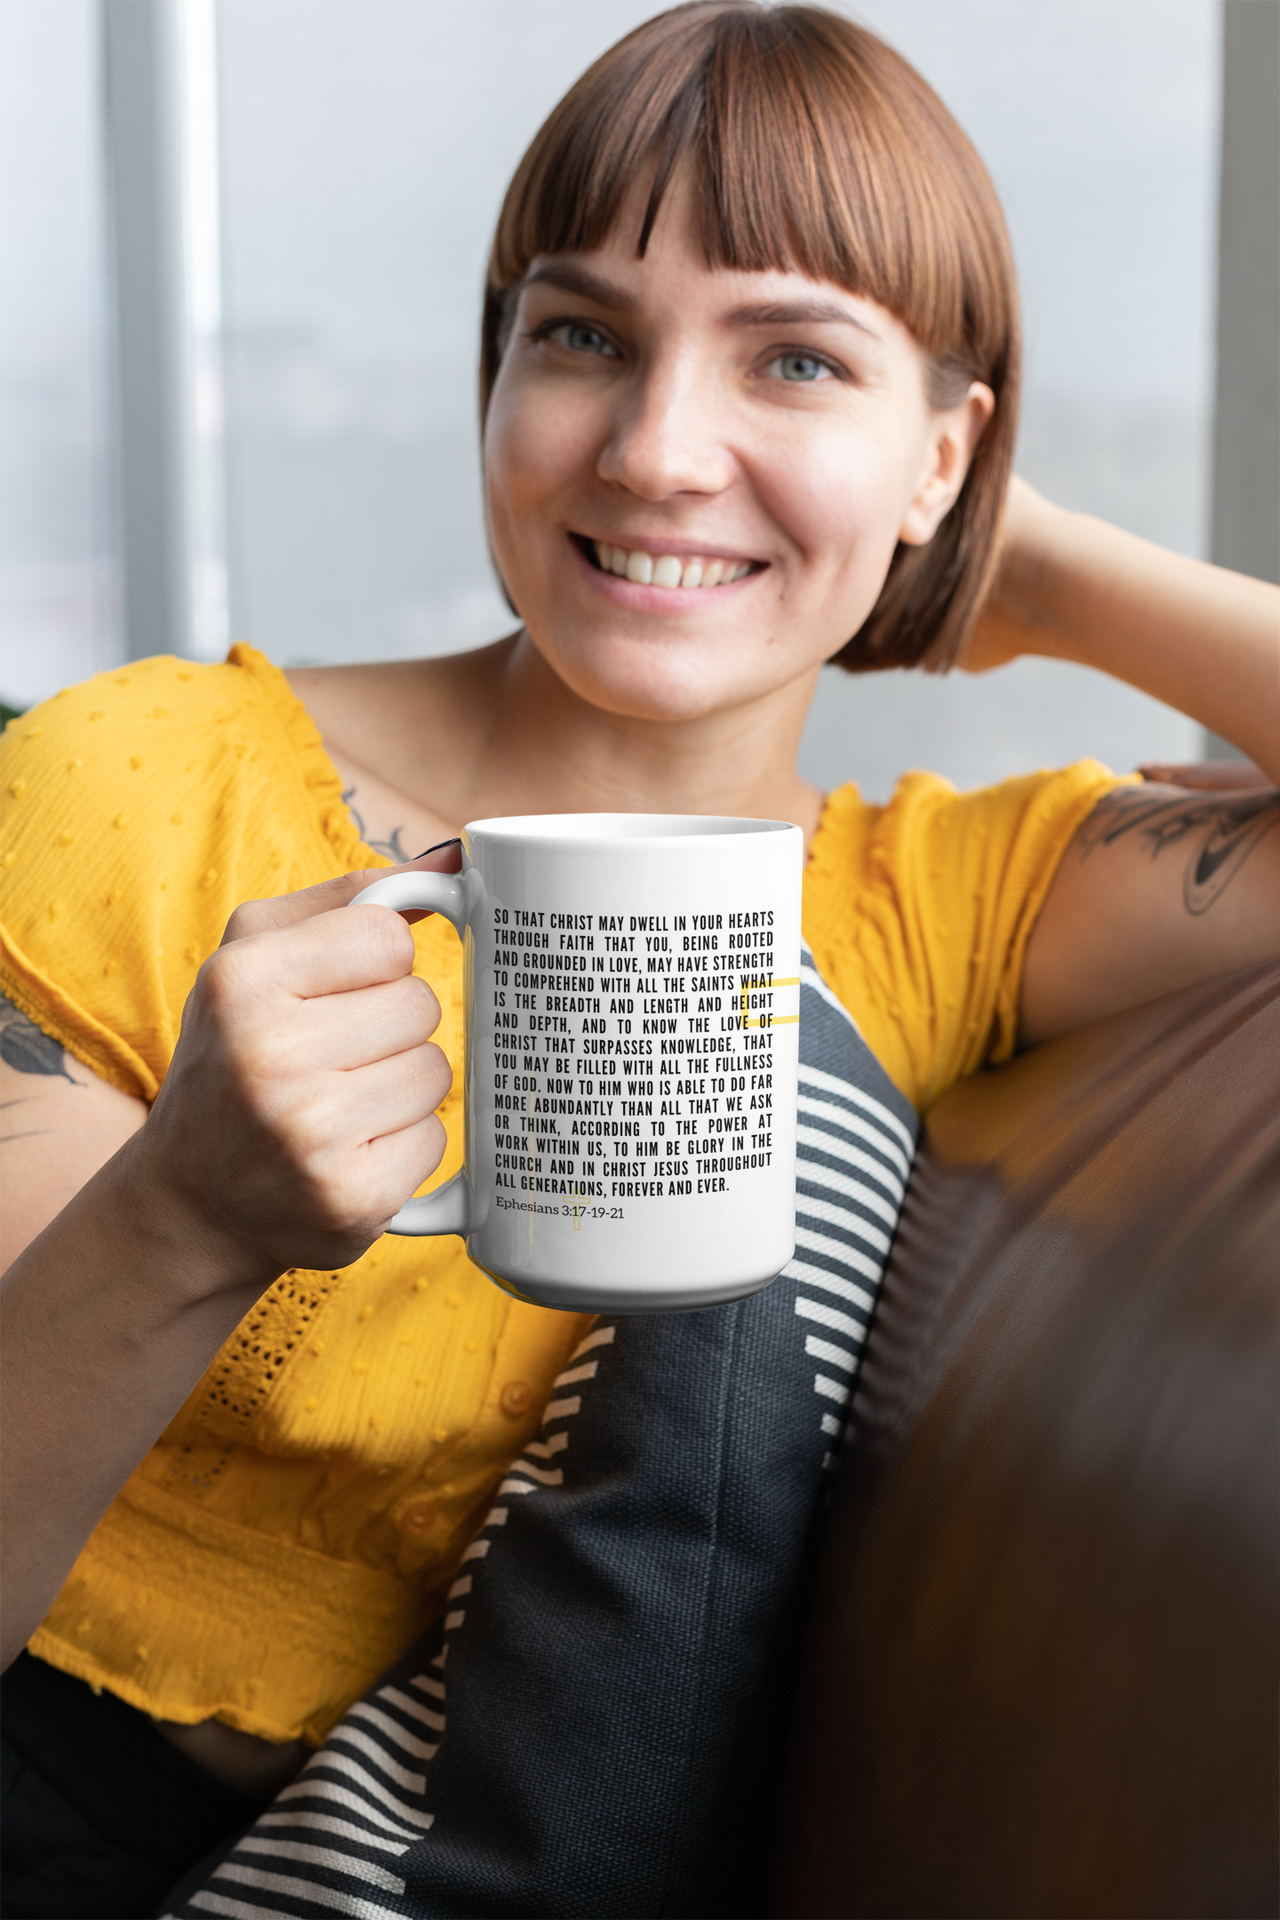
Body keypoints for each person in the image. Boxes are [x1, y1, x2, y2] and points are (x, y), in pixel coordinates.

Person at [2, 4, 1277, 1913]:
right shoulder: (140, 779)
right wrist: (181, 1217)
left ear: (947, 450)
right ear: (497, 381)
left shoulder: (940, 907)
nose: (663, 449)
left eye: (797, 361)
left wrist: (1036, 564)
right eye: (583, 335)